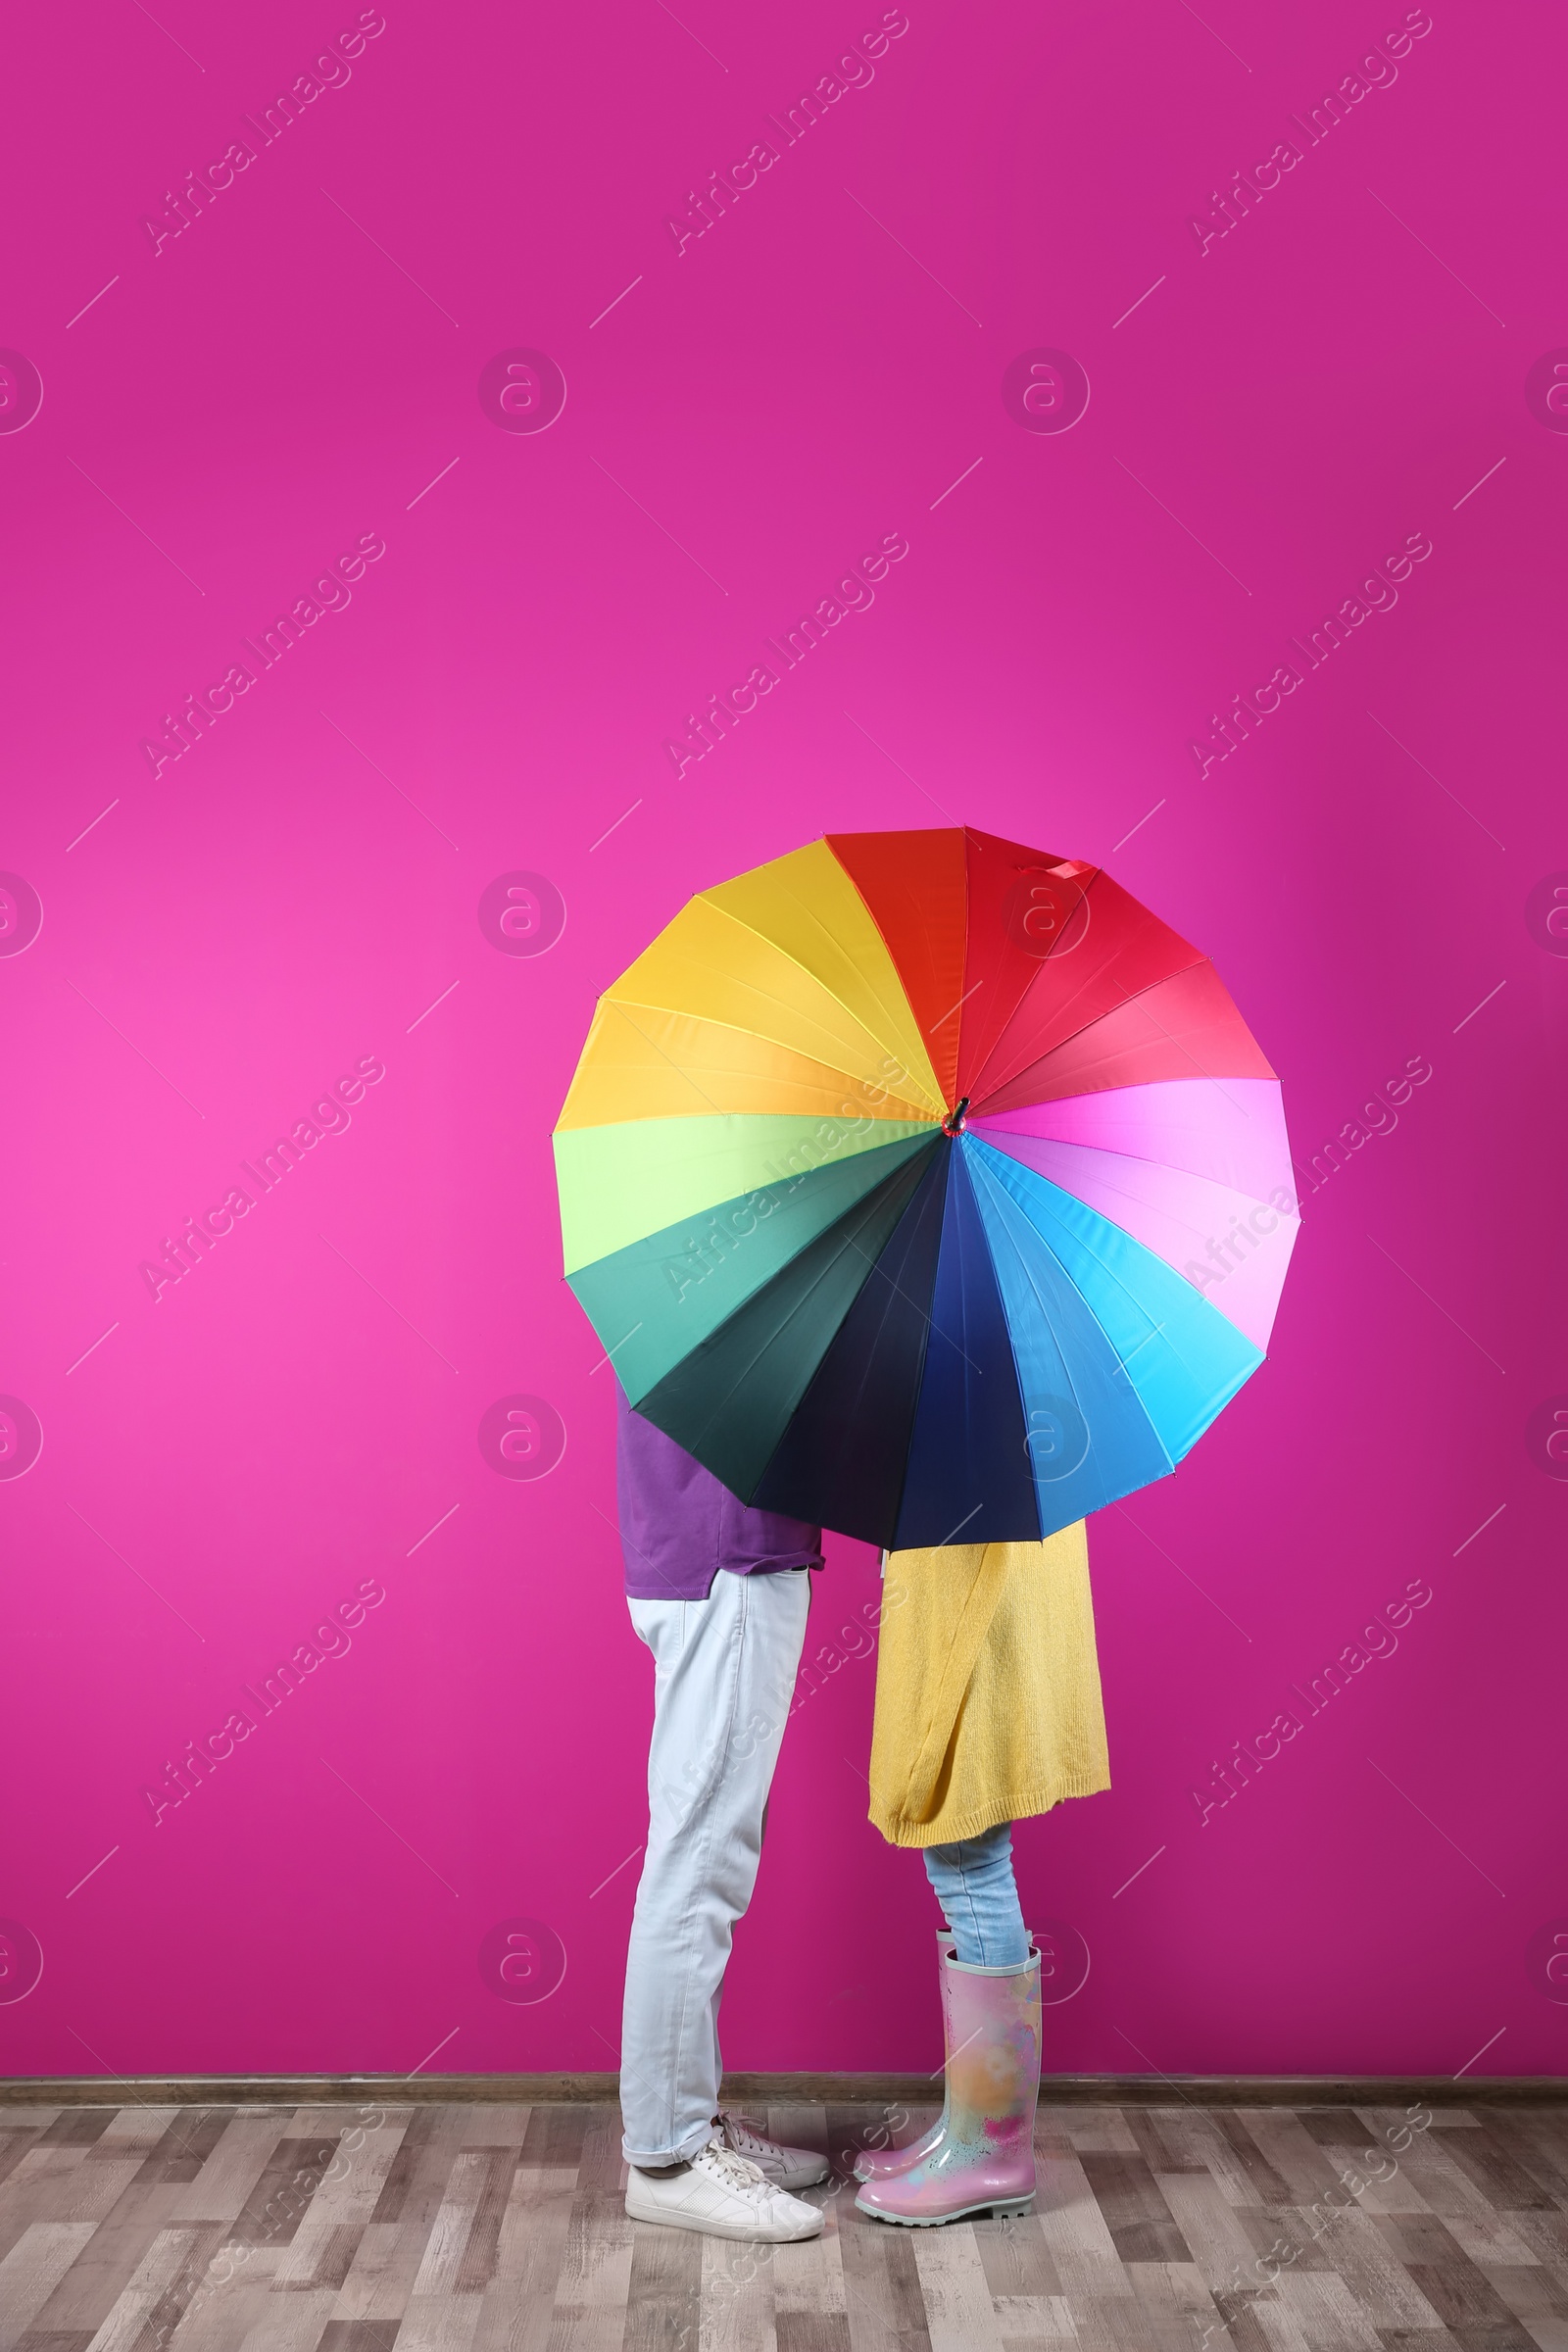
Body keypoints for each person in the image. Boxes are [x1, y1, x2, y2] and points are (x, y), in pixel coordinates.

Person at [613, 1383, 832, 2242]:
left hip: (724, 1551)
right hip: (727, 1558)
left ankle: (688, 2122)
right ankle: (666, 2158)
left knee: (708, 1849)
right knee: (702, 1858)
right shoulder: (735, 1248)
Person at [854, 1522, 1111, 2226]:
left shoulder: (972, 1414)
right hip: (997, 1600)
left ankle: (992, 2154)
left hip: (980, 1618)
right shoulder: (1016, 1414)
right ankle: (969, 2133)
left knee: (970, 1859)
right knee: (970, 1859)